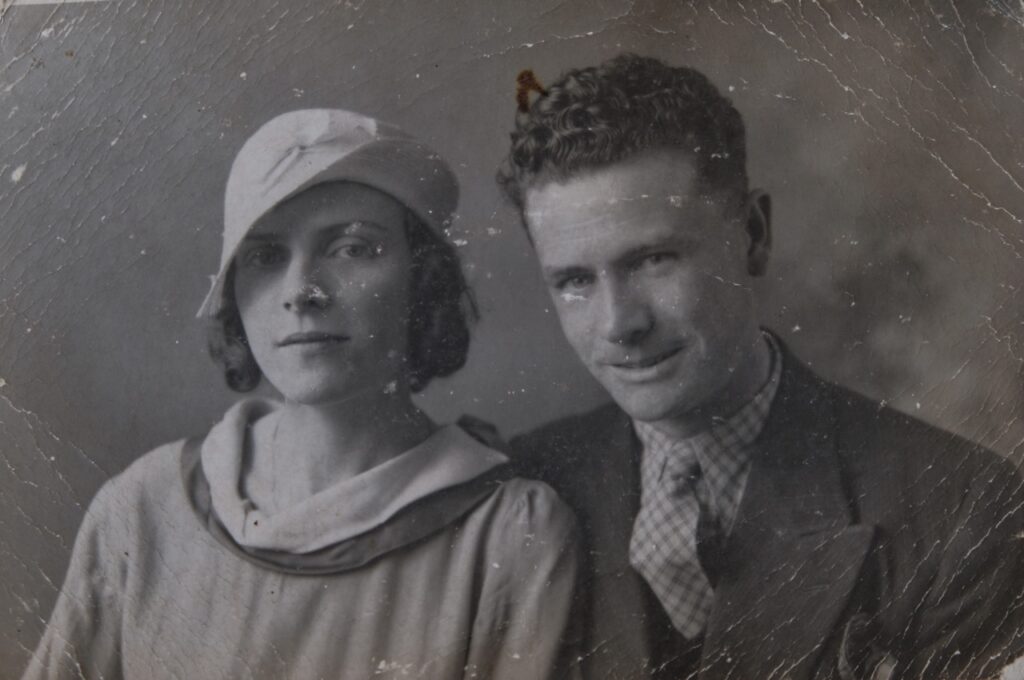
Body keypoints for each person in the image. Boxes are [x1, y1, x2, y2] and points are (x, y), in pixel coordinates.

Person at [497, 54, 1024, 680]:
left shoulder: (963, 507)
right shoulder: (521, 492)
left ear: (752, 232)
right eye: (575, 280)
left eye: (654, 260)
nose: (618, 324)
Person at [24, 109, 580, 680]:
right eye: (265, 256)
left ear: (423, 279)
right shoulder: (144, 510)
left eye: (352, 248)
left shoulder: (509, 533)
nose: (300, 292)